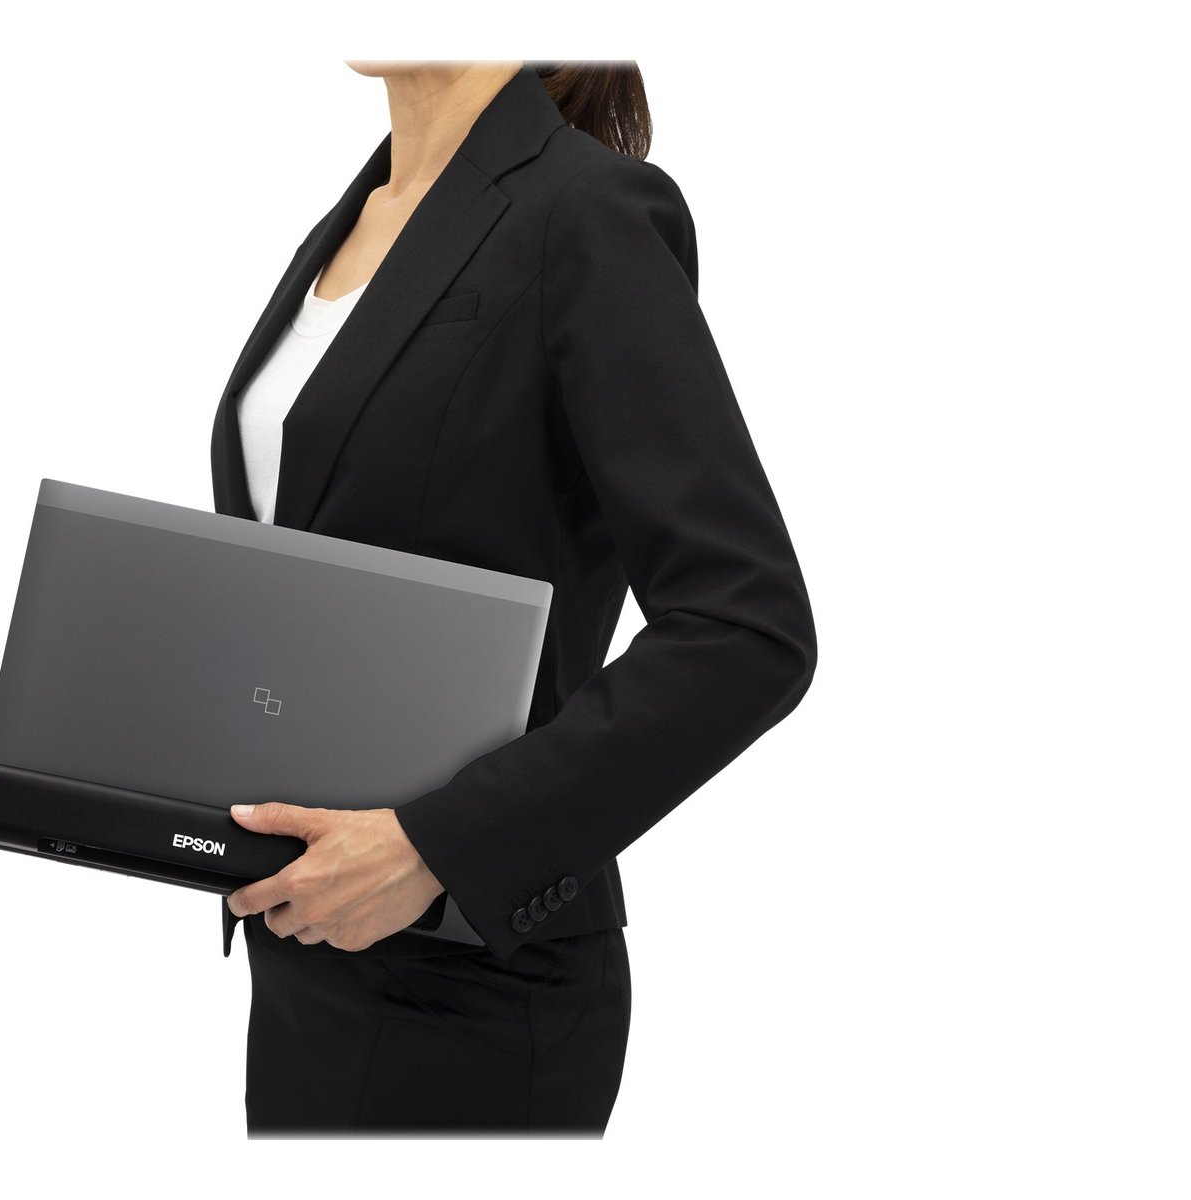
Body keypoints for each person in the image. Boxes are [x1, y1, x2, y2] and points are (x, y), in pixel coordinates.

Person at [207, 60, 817, 1136]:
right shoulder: (354, 221)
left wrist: (438, 844)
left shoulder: (585, 211)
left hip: (473, 982)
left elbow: (744, 626)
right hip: (309, 958)